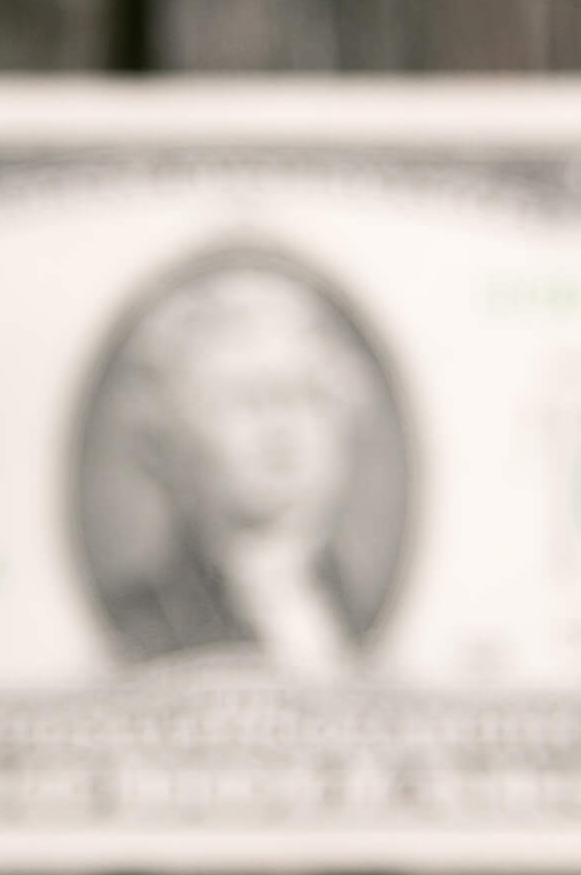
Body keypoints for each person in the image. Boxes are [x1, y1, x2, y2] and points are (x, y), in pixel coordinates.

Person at [101, 265, 378, 671]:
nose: (280, 426)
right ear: (176, 434)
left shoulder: (360, 608)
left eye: (306, 395)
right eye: (247, 400)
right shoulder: (139, 632)